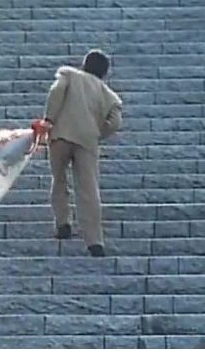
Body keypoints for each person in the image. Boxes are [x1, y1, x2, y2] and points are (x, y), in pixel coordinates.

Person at [41, 49, 123, 257]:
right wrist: (98, 133)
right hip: (87, 141)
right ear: (105, 72)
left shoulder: (69, 75)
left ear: (84, 64)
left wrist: (49, 119)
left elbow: (56, 91)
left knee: (59, 179)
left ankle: (63, 223)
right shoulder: (108, 94)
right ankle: (94, 241)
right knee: (88, 188)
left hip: (61, 134)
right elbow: (115, 121)